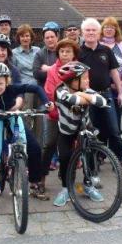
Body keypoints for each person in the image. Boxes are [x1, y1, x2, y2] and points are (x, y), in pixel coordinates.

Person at [0, 62, 53, 193]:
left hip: (13, 116)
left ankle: (20, 165)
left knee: (23, 142)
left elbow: (36, 88)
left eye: (1, 83)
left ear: (7, 81)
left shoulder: (13, 88)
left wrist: (46, 102)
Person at [53, 62, 107, 206]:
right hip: (66, 130)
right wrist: (85, 97)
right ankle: (66, 188)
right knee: (65, 157)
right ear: (73, 81)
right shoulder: (60, 90)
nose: (88, 81)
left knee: (90, 153)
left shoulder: (85, 89)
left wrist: (82, 93)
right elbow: (73, 100)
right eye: (84, 78)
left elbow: (102, 101)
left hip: (85, 127)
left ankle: (88, 185)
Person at [78, 18, 122, 174]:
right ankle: (93, 165)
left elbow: (114, 72)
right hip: (87, 98)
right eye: (88, 30)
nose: (91, 33)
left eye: (94, 30)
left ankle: (118, 162)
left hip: (106, 95)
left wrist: (120, 92)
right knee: (92, 131)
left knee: (114, 130)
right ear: (82, 33)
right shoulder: (78, 52)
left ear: (99, 33)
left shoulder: (106, 51)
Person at [42, 39, 80, 177]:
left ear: (74, 54)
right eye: (62, 51)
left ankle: (69, 176)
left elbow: (83, 89)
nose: (64, 54)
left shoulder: (79, 69)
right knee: (50, 144)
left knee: (74, 146)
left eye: (68, 51)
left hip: (73, 114)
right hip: (55, 113)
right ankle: (40, 178)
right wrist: (55, 111)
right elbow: (49, 92)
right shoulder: (52, 70)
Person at [33, 21, 61, 172]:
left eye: (52, 36)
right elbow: (36, 73)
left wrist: (48, 69)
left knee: (62, 129)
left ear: (57, 37)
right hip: (45, 95)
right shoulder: (40, 53)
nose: (50, 39)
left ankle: (59, 158)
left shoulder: (63, 50)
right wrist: (55, 70)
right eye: (47, 37)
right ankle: (48, 159)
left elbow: (67, 70)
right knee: (46, 130)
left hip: (63, 95)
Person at [99, 16, 122, 128]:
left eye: (112, 27)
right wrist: (111, 84)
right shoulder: (98, 46)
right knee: (104, 124)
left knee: (116, 123)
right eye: (106, 27)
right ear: (102, 30)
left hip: (121, 89)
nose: (109, 29)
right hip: (104, 88)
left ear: (116, 30)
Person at [12, 24, 41, 108]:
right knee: (27, 113)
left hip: (38, 84)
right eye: (22, 36)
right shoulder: (14, 53)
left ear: (31, 37)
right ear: (19, 38)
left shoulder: (38, 50)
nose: (25, 38)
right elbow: (14, 74)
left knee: (40, 113)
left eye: (27, 36)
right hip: (25, 87)